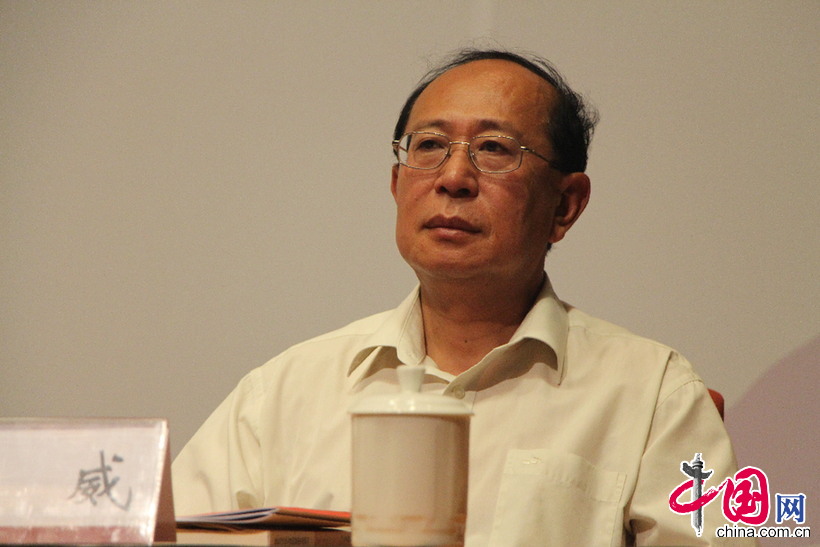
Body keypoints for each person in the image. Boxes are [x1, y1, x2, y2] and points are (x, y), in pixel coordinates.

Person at [172, 49, 750, 546]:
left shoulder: (653, 394)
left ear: (565, 205)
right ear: (397, 185)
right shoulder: (283, 394)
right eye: (429, 146)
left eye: (494, 149)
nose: (453, 177)